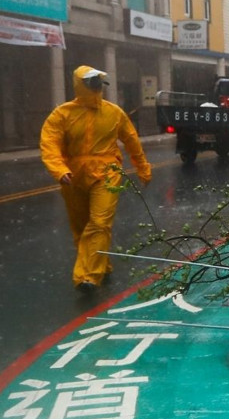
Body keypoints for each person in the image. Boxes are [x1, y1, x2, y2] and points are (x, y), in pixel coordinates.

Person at [40, 65, 152, 294]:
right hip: (73, 176)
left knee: (100, 222)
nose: (97, 87)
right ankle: (101, 262)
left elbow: (131, 141)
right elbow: (49, 144)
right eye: (91, 82)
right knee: (81, 227)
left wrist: (143, 167)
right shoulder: (62, 114)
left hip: (107, 172)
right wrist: (59, 169)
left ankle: (87, 276)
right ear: (80, 84)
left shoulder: (114, 113)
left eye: (98, 82)